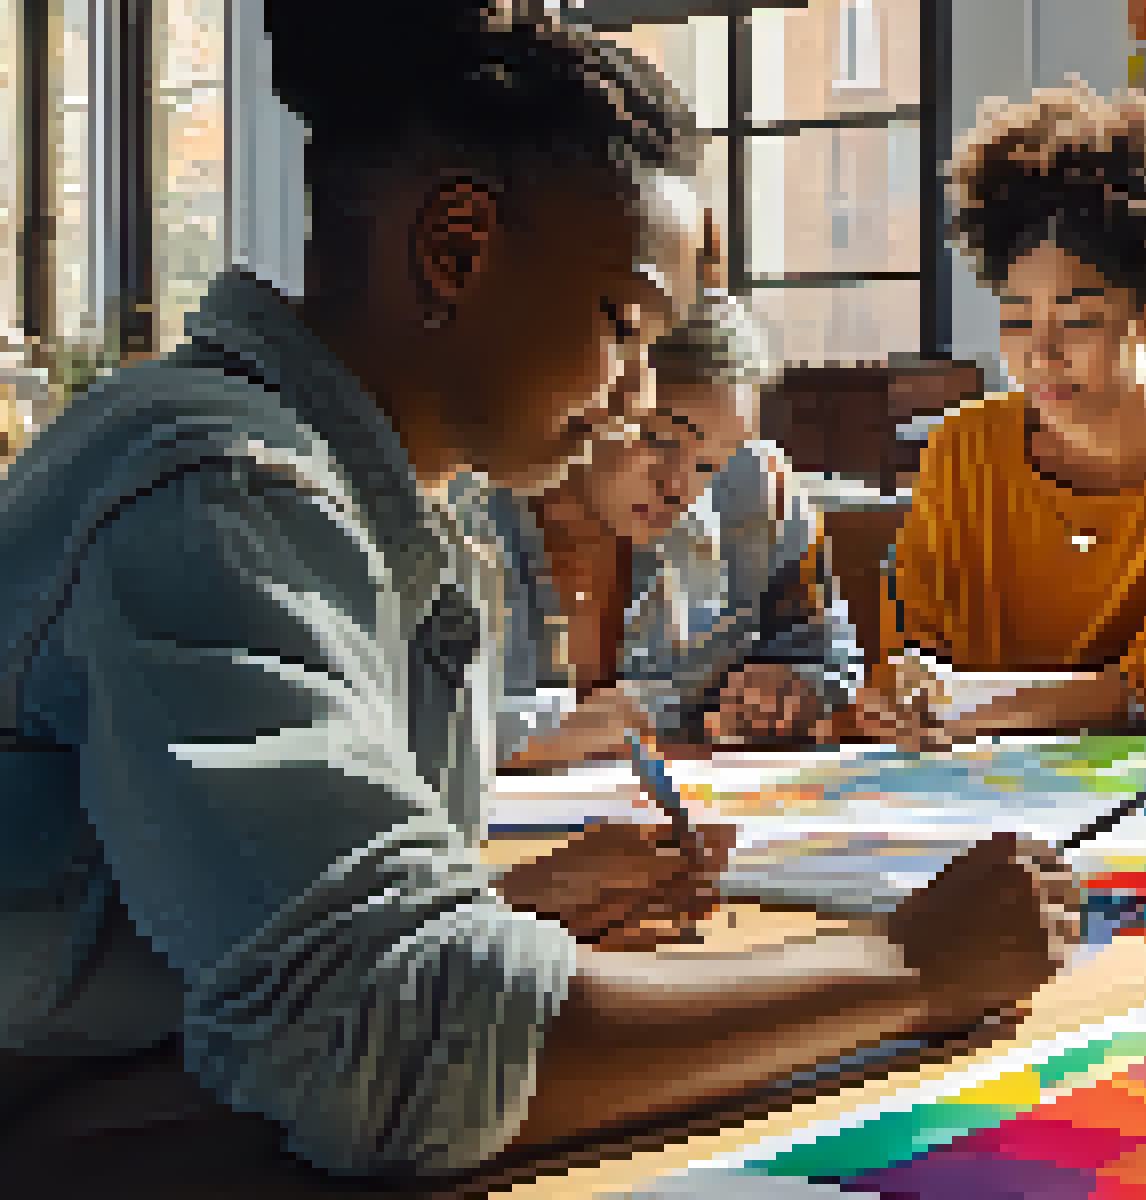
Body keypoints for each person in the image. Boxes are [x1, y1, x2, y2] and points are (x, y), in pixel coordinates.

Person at [0, 3, 1066, 1186]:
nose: (632, 394)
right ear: (455, 248)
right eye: (623, 323)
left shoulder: (409, 512)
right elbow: (396, 1049)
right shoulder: (223, 489)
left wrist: (511, 905)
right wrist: (908, 969)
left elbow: (253, 947)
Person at [743, 77, 1146, 750]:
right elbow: (914, 652)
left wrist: (989, 710)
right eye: (1015, 319)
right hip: (979, 781)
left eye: (1078, 319)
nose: (1041, 353)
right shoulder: (961, 447)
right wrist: (903, 695)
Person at [461, 297, 862, 770]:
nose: (681, 489)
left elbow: (831, 662)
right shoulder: (453, 504)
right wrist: (530, 736)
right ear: (591, 396)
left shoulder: (760, 490)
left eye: (711, 463)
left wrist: (792, 688)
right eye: (662, 439)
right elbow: (383, 721)